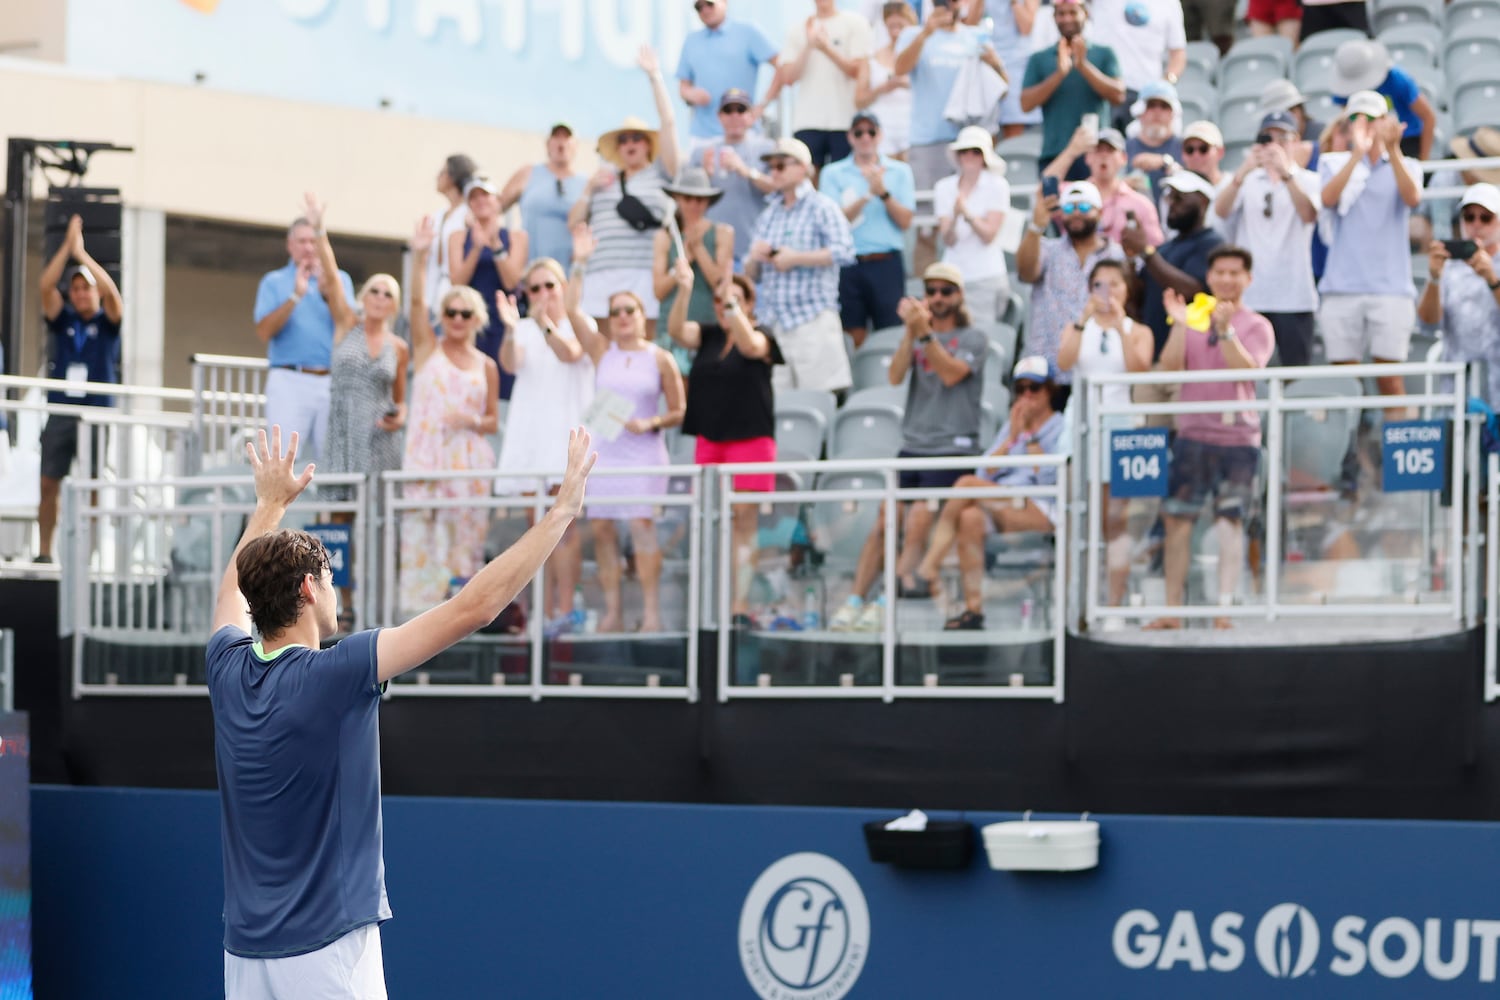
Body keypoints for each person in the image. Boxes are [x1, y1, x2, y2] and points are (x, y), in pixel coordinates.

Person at [206, 423, 593, 999]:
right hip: (326, 950)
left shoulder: (226, 667)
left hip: (244, 956)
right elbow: (475, 609)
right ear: (310, 589)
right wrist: (562, 511)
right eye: (332, 583)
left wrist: (267, 506)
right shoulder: (336, 673)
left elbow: (230, 595)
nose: (338, 595)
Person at [832, 263, 989, 632]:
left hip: (953, 448)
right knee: (885, 520)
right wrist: (911, 334)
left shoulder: (974, 338)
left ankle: (888, 598)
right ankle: (856, 600)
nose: (937, 298)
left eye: (945, 291)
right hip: (914, 444)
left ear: (959, 296)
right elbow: (894, 375)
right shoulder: (920, 335)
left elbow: (951, 374)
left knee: (918, 517)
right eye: (931, 290)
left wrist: (924, 335)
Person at [1148, 245, 1273, 630]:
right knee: (1177, 522)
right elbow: (1169, 367)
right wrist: (1181, 323)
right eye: (1220, 272)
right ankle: (1172, 612)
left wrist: (1225, 329)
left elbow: (1248, 371)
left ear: (1248, 279)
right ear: (1210, 276)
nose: (1227, 280)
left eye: (1235, 273)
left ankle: (1224, 609)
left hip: (1237, 439)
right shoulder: (1193, 319)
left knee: (1229, 521)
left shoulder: (1258, 325)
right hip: (1192, 434)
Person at [303, 195, 409, 625]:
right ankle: (341, 604)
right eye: (375, 290)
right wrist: (319, 230)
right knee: (338, 522)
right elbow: (329, 276)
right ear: (365, 297)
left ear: (394, 304)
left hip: (379, 441)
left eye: (388, 293)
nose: (380, 297)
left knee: (381, 523)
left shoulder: (399, 346)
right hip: (343, 434)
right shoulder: (347, 323)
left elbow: (401, 402)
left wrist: (397, 417)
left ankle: (383, 603)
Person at [566, 258, 686, 634]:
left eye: (628, 310)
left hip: (644, 452)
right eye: (614, 311)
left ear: (640, 313)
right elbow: (571, 309)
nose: (621, 317)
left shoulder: (659, 357)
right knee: (602, 529)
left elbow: (679, 410)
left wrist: (648, 422)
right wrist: (581, 262)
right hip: (607, 452)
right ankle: (613, 612)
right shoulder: (603, 351)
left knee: (641, 528)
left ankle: (651, 612)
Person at [666, 262, 784, 627]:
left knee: (744, 523)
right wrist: (685, 290)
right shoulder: (709, 335)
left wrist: (735, 310)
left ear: (750, 303)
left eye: (734, 299)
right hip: (711, 439)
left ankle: (739, 604)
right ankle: (709, 600)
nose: (724, 306)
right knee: (709, 519)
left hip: (750, 440)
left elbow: (750, 346)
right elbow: (675, 331)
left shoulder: (762, 335)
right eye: (719, 300)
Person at [915, 356, 1068, 630]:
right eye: (1020, 389)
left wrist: (1031, 437)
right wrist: (1012, 439)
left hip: (1040, 507)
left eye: (1034, 388)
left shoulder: (1060, 425)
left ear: (1049, 391)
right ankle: (974, 610)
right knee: (970, 517)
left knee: (965, 485)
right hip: (1005, 503)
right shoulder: (1011, 426)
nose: (1027, 396)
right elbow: (985, 471)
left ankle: (930, 563)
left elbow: (1051, 478)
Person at [398, 222, 502, 618]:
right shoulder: (427, 348)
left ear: (476, 318)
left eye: (464, 313)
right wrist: (421, 257)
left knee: (464, 544)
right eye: (450, 312)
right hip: (428, 459)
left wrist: (470, 420)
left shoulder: (486, 365)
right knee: (421, 538)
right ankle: (417, 618)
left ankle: (461, 616)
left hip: (469, 462)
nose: (457, 319)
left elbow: (493, 420)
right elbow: (414, 306)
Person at [496, 259, 596, 635]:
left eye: (548, 286)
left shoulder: (579, 322)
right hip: (532, 437)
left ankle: (565, 610)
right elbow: (510, 362)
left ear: (563, 286)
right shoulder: (522, 328)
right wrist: (510, 330)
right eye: (533, 289)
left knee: (565, 529)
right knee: (535, 529)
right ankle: (541, 609)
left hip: (565, 435)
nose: (541, 295)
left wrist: (542, 323)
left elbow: (569, 352)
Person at [1318, 92, 1422, 411]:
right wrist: (1357, 154)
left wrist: (1392, 149)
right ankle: (1350, 459)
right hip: (1342, 288)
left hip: (1390, 289)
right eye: (1354, 118)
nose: (1361, 124)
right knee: (1344, 386)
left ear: (1383, 122)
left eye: (1369, 118)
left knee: (1391, 382)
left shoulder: (1407, 164)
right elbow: (1328, 199)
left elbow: (1412, 199)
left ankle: (1392, 457)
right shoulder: (1333, 162)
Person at [1058, 259, 1153, 605]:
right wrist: (1085, 321)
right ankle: (1075, 599)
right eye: (1100, 284)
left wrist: (1119, 328)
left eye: (1115, 284)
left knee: (1116, 519)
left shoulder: (1138, 331)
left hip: (1120, 423)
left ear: (1127, 289)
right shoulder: (1076, 328)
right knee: (1076, 516)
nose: (1107, 291)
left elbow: (1138, 370)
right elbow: (1064, 363)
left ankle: (1113, 602)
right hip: (1080, 423)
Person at [569, 46, 681, 337]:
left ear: (647, 144)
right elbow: (574, 224)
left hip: (643, 272)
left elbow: (668, 124)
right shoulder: (601, 180)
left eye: (637, 138)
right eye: (624, 140)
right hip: (601, 273)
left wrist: (655, 77)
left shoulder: (661, 175)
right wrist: (587, 190)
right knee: (606, 350)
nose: (630, 144)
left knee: (646, 345)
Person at [35, 214, 122, 564]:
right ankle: (44, 552)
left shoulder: (107, 322)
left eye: (86, 287)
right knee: (48, 482)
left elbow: (113, 297)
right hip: (62, 410)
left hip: (95, 413)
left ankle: (89, 556)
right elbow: (45, 287)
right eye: (76, 288)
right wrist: (67, 251)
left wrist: (83, 256)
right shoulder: (65, 320)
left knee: (92, 487)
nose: (81, 293)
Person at [747, 137, 856, 394]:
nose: (774, 172)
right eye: (771, 167)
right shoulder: (768, 214)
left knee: (819, 403)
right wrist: (755, 257)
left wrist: (795, 258)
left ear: (803, 168)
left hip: (812, 319)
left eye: (781, 165)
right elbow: (753, 274)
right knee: (782, 409)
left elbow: (845, 251)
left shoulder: (823, 207)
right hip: (776, 324)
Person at [1215, 112, 1322, 367]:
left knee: (1294, 376)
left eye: (1282, 138)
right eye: (1267, 139)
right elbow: (1221, 211)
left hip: (1294, 296)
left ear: (1295, 141)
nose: (1274, 145)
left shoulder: (1309, 180)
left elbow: (1309, 214)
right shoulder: (1247, 180)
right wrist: (1243, 171)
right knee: (1247, 369)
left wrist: (1286, 174)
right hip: (1252, 295)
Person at [253, 215, 355, 466]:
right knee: (282, 459)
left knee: (334, 461)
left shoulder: (339, 281)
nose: (309, 248)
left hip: (332, 380)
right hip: (289, 379)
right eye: (302, 241)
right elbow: (264, 331)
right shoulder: (274, 281)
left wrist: (328, 294)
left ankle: (329, 507)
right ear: (290, 245)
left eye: (313, 241)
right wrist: (295, 297)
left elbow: (351, 326)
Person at [819, 111, 917, 348]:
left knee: (891, 332)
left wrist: (883, 193)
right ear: (850, 137)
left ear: (879, 135)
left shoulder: (900, 171)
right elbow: (832, 222)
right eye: (859, 132)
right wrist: (867, 195)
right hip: (848, 264)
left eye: (871, 132)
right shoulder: (832, 173)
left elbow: (905, 221)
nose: (865, 138)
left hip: (886, 263)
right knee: (853, 333)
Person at [1017, 180, 1126, 384]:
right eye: (1069, 207)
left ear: (1100, 212)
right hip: (1051, 367)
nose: (1076, 213)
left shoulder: (1115, 253)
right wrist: (1035, 227)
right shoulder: (1048, 249)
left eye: (1084, 206)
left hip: (1099, 366)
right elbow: (1026, 272)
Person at [893, 1, 1009, 189]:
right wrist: (925, 33)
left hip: (970, 141)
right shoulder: (913, 34)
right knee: (927, 210)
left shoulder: (976, 36)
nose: (947, 5)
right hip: (928, 140)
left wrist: (995, 64)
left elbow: (1002, 89)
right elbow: (899, 69)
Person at [1121, 170, 1225, 365]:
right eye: (1169, 197)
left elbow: (1193, 291)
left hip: (1188, 360)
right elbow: (1140, 296)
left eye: (1179, 198)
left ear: (1203, 202)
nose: (1171, 204)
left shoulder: (1213, 245)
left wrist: (1146, 252)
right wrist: (1131, 258)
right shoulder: (1164, 248)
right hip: (1153, 356)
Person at [1021, 0, 1126, 182]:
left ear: (1085, 13)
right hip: (1054, 153)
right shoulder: (1039, 59)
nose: (1067, 18)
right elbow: (1025, 103)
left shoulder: (1104, 53)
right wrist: (1059, 74)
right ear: (1054, 17)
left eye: (1072, 12)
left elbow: (1118, 95)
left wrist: (1083, 66)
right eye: (1061, 14)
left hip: (1094, 154)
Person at [1419, 183, 1500, 411]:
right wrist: (1434, 279)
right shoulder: (1448, 269)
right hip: (1457, 394)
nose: (1476, 224)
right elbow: (1427, 324)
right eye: (1469, 216)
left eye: (1485, 217)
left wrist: (1492, 280)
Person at [450, 173, 529, 397]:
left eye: (485, 195)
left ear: (497, 200)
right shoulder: (458, 237)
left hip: (502, 325)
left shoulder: (516, 237)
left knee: (502, 392)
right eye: (474, 198)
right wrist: (475, 248)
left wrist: (495, 246)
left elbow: (511, 281)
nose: (480, 201)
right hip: (469, 326)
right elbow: (458, 283)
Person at [654, 166, 734, 374]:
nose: (694, 205)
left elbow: (720, 285)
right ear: (678, 199)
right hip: (671, 329)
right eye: (688, 198)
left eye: (700, 199)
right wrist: (679, 270)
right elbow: (659, 291)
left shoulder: (722, 233)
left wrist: (698, 248)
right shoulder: (665, 237)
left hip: (706, 329)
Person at [777, 0, 874, 171]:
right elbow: (788, 78)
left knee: (843, 180)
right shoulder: (796, 29)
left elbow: (857, 71)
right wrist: (809, 45)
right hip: (807, 120)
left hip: (845, 121)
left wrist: (826, 48)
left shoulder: (855, 23)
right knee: (807, 177)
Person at [934, 126, 1012, 326]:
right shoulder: (943, 187)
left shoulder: (998, 185)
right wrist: (954, 217)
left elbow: (989, 235)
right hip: (952, 277)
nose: (969, 156)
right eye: (964, 151)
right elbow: (948, 239)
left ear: (984, 156)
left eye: (976, 151)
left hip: (986, 276)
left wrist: (966, 214)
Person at [675, 0, 779, 146]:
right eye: (699, 7)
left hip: (744, 134)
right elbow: (683, 87)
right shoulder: (691, 40)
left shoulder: (748, 32)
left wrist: (763, 105)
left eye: (709, 4)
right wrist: (692, 94)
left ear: (724, 2)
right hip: (703, 136)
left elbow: (781, 66)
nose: (704, 10)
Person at [1044, 126, 1165, 244]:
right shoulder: (1071, 193)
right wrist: (1072, 151)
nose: (1103, 155)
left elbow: (1155, 247)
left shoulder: (1141, 205)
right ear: (1087, 157)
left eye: (1110, 150)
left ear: (1123, 158)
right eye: (1098, 150)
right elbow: (1045, 187)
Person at [699, 88, 777, 270]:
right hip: (712, 253)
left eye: (740, 110)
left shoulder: (767, 149)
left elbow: (778, 188)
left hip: (752, 254)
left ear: (750, 116)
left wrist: (746, 171)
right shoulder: (703, 151)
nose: (734, 116)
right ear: (719, 116)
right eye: (728, 110)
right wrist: (704, 176)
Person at [1329, 39, 1436, 163]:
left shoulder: (1396, 79)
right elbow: (1347, 121)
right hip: (1366, 144)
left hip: (1406, 141)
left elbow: (1428, 117)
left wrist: (1423, 161)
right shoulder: (1344, 91)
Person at [500, 125, 587, 271]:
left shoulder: (586, 183)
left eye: (566, 138)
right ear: (547, 144)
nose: (561, 143)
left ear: (576, 145)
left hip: (570, 273)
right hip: (531, 271)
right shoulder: (528, 173)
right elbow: (494, 206)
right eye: (556, 137)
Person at [1089, 0, 1187, 128]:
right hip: (1103, 92)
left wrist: (1165, 83)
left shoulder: (1169, 3)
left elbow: (1178, 53)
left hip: (1145, 96)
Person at [855, 2, 918, 158]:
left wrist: (906, 84)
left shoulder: (920, 56)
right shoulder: (872, 58)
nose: (895, 32)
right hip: (883, 126)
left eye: (900, 26)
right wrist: (883, 88)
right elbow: (859, 100)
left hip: (911, 125)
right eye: (891, 26)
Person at [422, 152, 477, 305]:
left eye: (442, 172)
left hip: (456, 297)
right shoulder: (438, 216)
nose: (437, 177)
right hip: (431, 295)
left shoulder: (469, 215)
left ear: (454, 176)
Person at [988, 0, 1044, 139]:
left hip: (1017, 65)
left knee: (1013, 126)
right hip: (990, 62)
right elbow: (970, 22)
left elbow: (1026, 27)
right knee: (988, 127)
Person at [1124, 80, 1183, 198]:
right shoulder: (1123, 148)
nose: (1157, 112)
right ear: (1140, 112)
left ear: (1173, 113)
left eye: (1164, 106)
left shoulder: (1188, 148)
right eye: (1151, 106)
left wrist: (1166, 163)